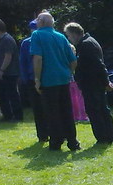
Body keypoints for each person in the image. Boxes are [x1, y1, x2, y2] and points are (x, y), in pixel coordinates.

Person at [31, 11, 79, 151]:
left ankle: (56, 142)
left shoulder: (37, 35)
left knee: (52, 112)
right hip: (63, 78)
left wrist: (37, 79)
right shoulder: (61, 36)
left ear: (41, 22)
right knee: (66, 111)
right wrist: (69, 73)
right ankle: (72, 141)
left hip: (48, 79)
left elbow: (38, 58)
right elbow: (73, 60)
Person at [64, 22, 113, 144]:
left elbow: (99, 65)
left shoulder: (86, 45)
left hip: (92, 83)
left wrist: (106, 82)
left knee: (95, 110)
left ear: (74, 34)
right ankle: (109, 136)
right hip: (94, 83)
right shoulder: (89, 42)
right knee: (102, 110)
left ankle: (103, 137)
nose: (69, 38)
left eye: (69, 35)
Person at [19, 20, 48, 140]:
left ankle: (42, 135)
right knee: (47, 107)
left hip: (33, 78)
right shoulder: (45, 40)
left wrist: (26, 79)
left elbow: (23, 63)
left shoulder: (26, 43)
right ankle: (50, 133)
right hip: (45, 77)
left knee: (38, 108)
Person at [0, 19, 23, 122]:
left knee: (12, 94)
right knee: (2, 94)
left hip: (10, 73)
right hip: (7, 72)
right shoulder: (4, 39)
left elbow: (8, 56)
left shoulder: (7, 40)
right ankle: (7, 115)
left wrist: (1, 70)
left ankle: (17, 116)